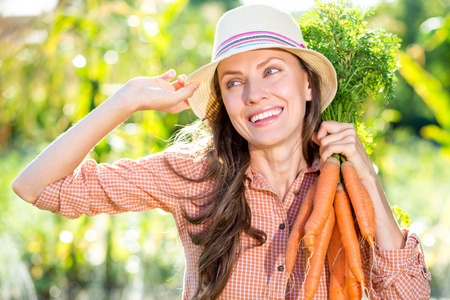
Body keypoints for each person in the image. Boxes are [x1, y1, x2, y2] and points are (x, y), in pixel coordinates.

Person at [12, 4, 431, 300]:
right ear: (224, 102)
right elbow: (36, 187)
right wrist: (124, 101)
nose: (254, 95)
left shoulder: (346, 188)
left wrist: (368, 181)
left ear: (307, 86)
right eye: (234, 82)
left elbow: (411, 297)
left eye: (271, 71)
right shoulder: (194, 175)